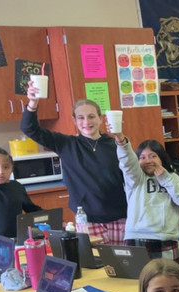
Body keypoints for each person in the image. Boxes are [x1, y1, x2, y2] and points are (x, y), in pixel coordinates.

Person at [22, 83, 127, 243]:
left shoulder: (116, 144)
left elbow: (131, 176)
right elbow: (29, 128)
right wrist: (33, 102)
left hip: (120, 217)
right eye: (81, 117)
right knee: (95, 263)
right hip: (88, 219)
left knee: (121, 262)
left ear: (100, 118)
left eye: (91, 116)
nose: (87, 121)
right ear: (74, 120)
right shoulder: (66, 144)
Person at [112, 133, 179, 262]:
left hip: (164, 239)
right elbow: (127, 163)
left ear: (161, 158)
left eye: (153, 156)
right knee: (136, 281)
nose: (148, 161)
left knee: (166, 279)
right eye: (142, 157)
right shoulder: (135, 178)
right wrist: (122, 142)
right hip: (136, 238)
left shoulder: (172, 177)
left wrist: (165, 178)